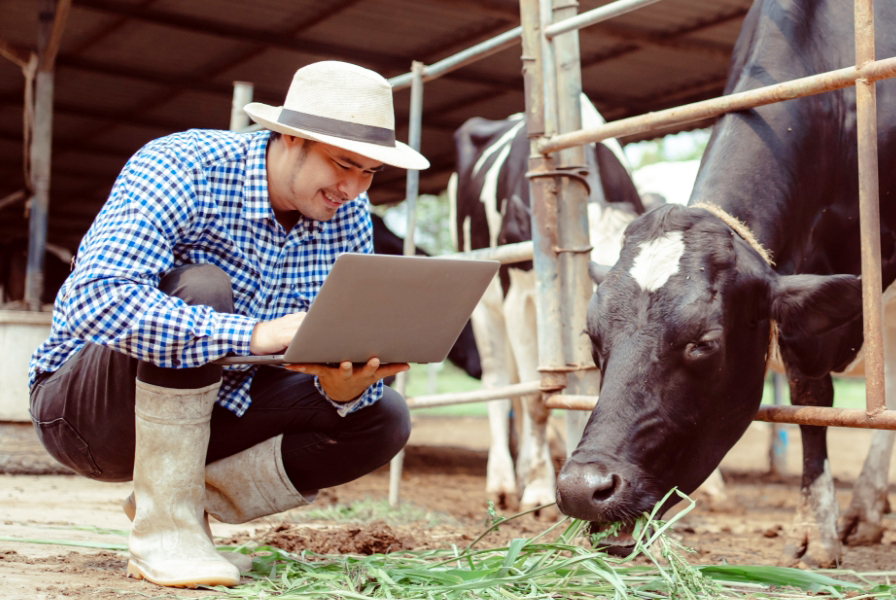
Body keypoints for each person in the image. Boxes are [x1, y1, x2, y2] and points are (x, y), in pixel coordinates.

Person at [27, 61, 429, 589]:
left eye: (370, 172)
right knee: (203, 286)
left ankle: (177, 510)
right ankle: (163, 532)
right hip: (87, 417)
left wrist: (340, 384)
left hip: (219, 409)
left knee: (381, 417)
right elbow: (93, 300)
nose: (353, 188)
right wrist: (254, 334)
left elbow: (334, 338)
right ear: (290, 136)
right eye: (343, 164)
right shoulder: (182, 164)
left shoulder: (347, 216)